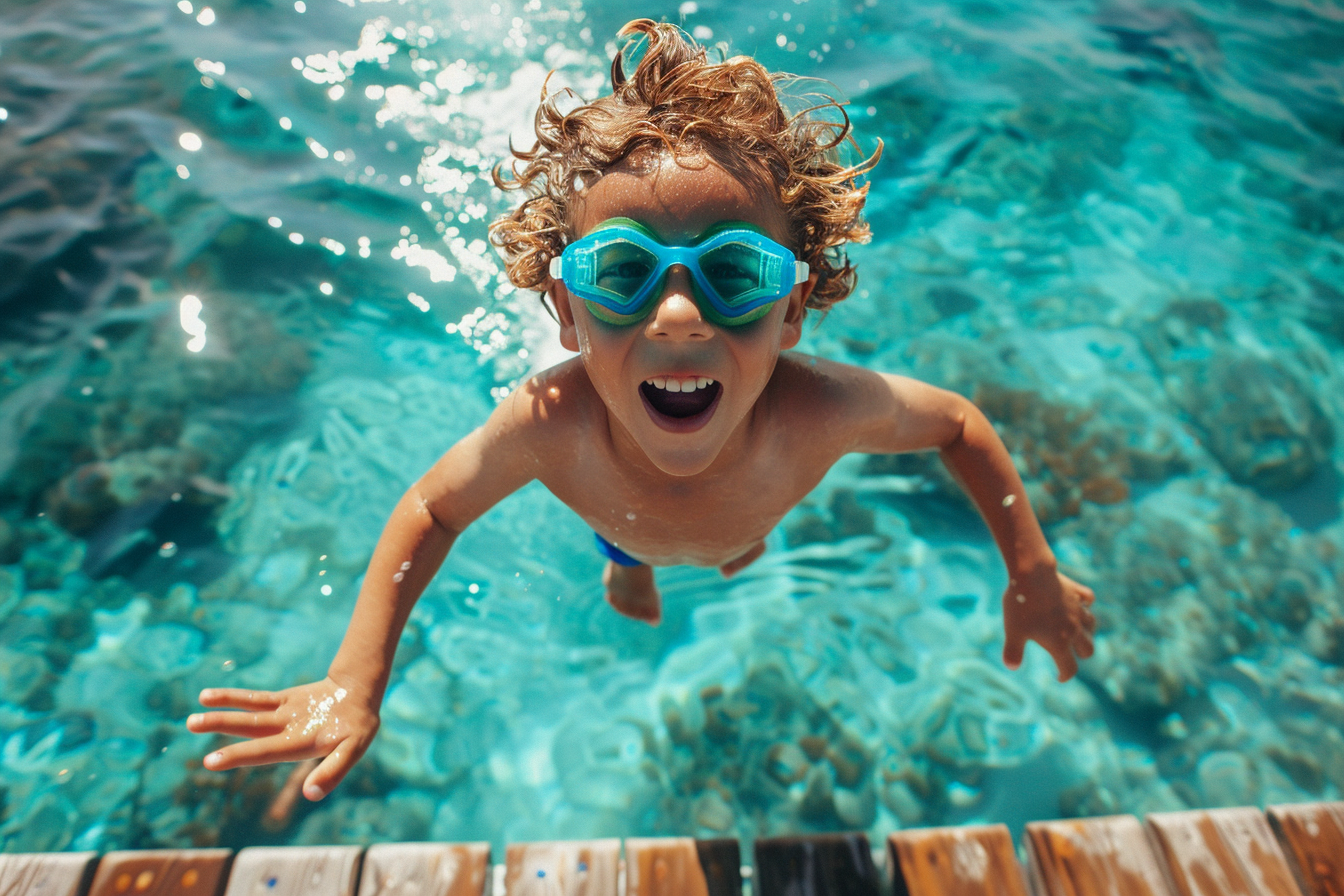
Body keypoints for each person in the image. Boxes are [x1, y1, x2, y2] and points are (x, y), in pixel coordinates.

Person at [187, 19, 1096, 802]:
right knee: (629, 550)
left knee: (738, 543)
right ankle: (630, 570)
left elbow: (957, 424)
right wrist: (357, 675)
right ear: (567, 310)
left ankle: (716, 547)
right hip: (616, 509)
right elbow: (433, 507)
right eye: (622, 274)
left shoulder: (820, 411)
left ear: (792, 308)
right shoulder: (553, 424)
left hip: (742, 508)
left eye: (734, 272)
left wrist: (1032, 569)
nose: (678, 316)